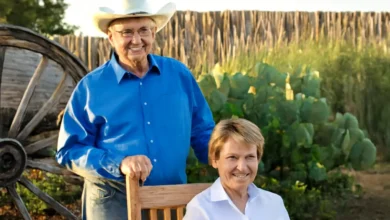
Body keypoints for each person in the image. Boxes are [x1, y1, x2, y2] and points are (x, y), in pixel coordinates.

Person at [55, 0, 215, 219]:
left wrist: (228, 156)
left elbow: (202, 131)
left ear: (154, 32)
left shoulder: (179, 75)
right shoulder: (91, 87)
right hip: (114, 206)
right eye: (127, 32)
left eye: (143, 31)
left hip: (170, 202)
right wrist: (119, 163)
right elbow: (69, 151)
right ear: (111, 37)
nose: (137, 40)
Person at [183, 118, 290, 220]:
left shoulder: (274, 203)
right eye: (232, 157)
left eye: (249, 157)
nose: (242, 168)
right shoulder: (200, 209)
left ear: (258, 159)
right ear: (215, 160)